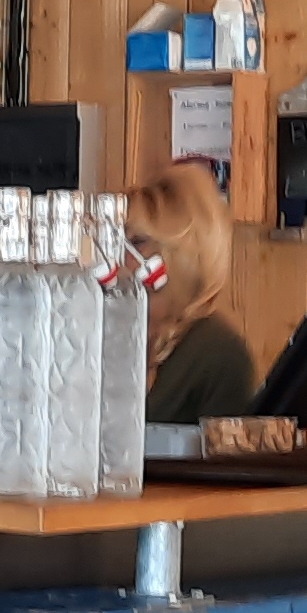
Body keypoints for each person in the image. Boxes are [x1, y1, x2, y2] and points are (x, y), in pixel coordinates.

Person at [127, 161, 260, 422]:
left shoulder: (220, 355)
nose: (117, 256)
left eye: (137, 242)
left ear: (184, 253)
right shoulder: (111, 334)